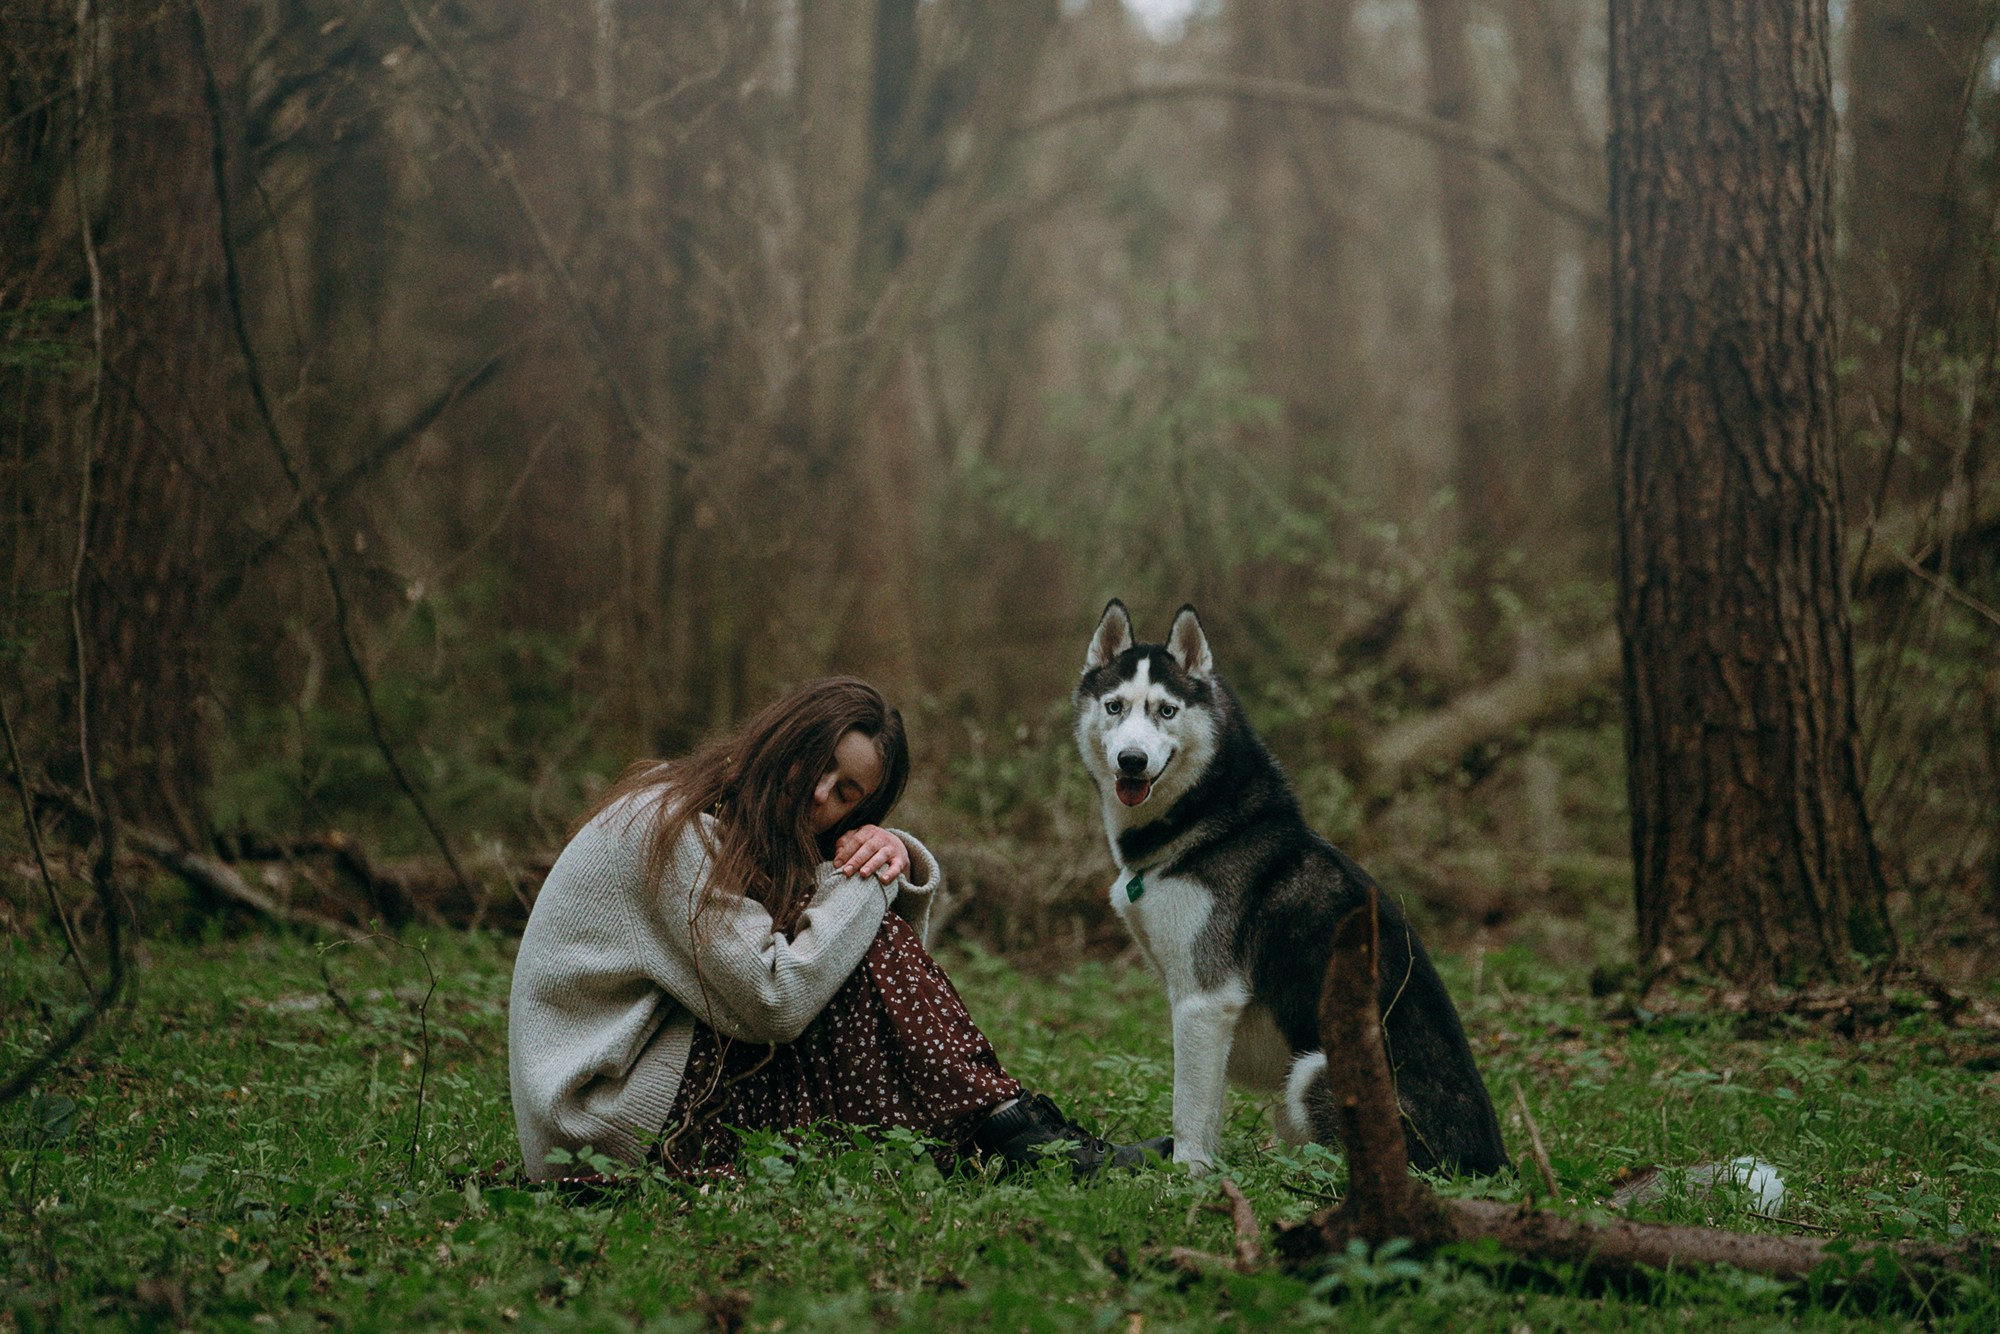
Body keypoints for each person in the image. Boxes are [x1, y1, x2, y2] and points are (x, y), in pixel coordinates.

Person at [508, 676, 1168, 1180]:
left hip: (648, 1095)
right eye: (816, 763)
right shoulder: (670, 826)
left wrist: (887, 853)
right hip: (601, 1126)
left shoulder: (728, 820)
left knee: (858, 954)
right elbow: (775, 998)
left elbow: (844, 971)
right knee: (861, 947)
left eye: (849, 795)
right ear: (783, 739)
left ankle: (1000, 1136)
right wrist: (880, 871)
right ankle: (1011, 1132)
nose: (822, 795)